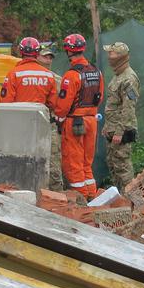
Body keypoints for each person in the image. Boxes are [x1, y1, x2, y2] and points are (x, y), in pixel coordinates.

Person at [54, 34, 104, 198]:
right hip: (92, 121)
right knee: (86, 162)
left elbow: (63, 105)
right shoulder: (97, 72)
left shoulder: (72, 75)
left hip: (75, 122)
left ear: (68, 51)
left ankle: (81, 200)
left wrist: (59, 119)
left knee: (73, 162)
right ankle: (92, 196)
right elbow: (100, 97)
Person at [101, 42, 140, 191]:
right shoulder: (118, 76)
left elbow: (128, 108)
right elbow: (114, 105)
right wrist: (107, 126)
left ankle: (130, 200)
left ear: (120, 57)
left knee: (123, 167)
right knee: (113, 165)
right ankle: (120, 199)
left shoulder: (129, 78)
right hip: (113, 128)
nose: (109, 56)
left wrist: (119, 131)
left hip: (121, 130)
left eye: (111, 53)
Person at [0, 37, 57, 107]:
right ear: (37, 53)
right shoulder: (49, 75)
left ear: (20, 52)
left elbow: (6, 101)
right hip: (41, 116)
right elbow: (53, 103)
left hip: (18, 116)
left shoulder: (13, 73)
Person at [36, 47, 64, 191]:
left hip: (51, 124)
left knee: (53, 161)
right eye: (45, 57)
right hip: (34, 124)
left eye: (50, 57)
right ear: (37, 57)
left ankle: (56, 194)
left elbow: (63, 102)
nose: (48, 60)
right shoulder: (32, 76)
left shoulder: (57, 79)